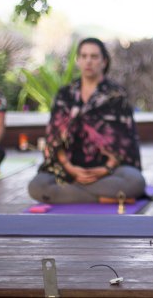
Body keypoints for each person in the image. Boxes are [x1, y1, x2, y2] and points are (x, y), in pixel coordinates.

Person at [28, 38, 146, 204]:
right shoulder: (65, 94)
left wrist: (104, 169)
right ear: (78, 60)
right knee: (36, 186)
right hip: (68, 167)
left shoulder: (116, 95)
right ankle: (105, 198)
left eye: (94, 56)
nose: (88, 61)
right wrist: (70, 169)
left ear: (104, 61)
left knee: (135, 182)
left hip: (108, 170)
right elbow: (53, 138)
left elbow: (125, 141)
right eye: (83, 56)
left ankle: (69, 194)